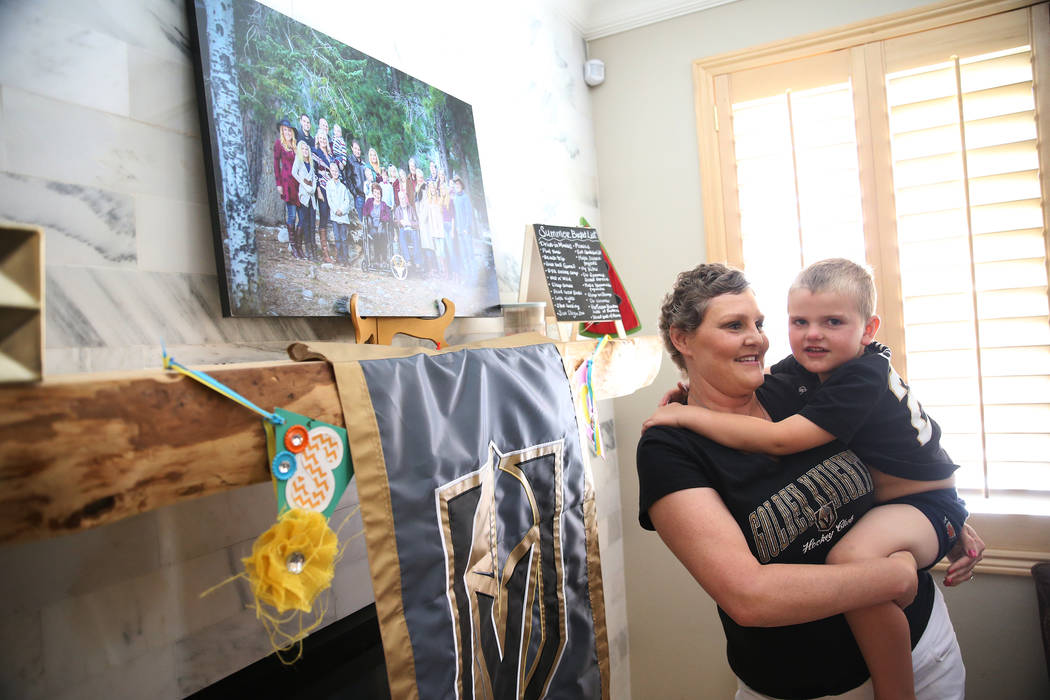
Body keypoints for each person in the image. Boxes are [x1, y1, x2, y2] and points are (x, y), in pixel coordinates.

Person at [637, 263, 983, 700]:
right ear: (682, 339)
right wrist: (892, 576)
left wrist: (941, 517)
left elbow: (892, 451)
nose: (757, 338)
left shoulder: (797, 386)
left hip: (924, 657)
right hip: (800, 686)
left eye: (759, 324)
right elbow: (749, 597)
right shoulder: (669, 449)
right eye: (734, 325)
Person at [272, 118, 299, 258]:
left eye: (289, 130)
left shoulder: (295, 145)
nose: (287, 132)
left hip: (298, 183)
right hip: (287, 183)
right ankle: (293, 246)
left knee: (302, 216)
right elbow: (276, 164)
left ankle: (298, 244)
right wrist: (279, 184)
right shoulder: (279, 144)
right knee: (292, 215)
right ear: (282, 131)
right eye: (284, 130)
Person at [312, 132, 336, 263]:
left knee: (332, 217)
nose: (322, 140)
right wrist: (318, 191)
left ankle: (336, 251)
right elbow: (314, 173)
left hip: (332, 189)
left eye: (324, 138)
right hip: (322, 188)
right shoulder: (315, 153)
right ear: (317, 140)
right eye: (320, 138)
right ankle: (325, 252)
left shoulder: (331, 156)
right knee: (323, 217)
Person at [291, 140, 316, 260]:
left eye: (307, 149)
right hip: (304, 195)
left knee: (312, 224)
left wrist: (313, 187)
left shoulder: (310, 162)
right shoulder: (299, 161)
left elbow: (314, 177)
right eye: (303, 149)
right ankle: (308, 250)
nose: (305, 151)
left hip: (312, 196)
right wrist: (304, 184)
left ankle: (314, 250)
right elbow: (293, 173)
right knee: (305, 223)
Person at [326, 161, 353, 264]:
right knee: (337, 238)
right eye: (333, 171)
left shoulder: (343, 186)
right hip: (334, 215)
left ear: (339, 172)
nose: (335, 173)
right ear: (330, 172)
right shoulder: (329, 185)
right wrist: (335, 210)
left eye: (336, 171)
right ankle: (339, 258)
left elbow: (347, 201)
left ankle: (345, 259)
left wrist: (341, 210)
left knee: (344, 238)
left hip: (343, 215)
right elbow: (329, 200)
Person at [450, 176, 475, 279]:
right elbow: (455, 215)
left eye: (458, 184)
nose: (457, 186)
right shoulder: (455, 198)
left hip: (466, 231)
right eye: (455, 185)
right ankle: (468, 276)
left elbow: (469, 214)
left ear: (461, 185)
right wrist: (456, 228)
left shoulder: (465, 197)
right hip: (459, 230)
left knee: (469, 252)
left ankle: (474, 274)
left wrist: (466, 228)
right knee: (463, 254)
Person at [393, 189, 423, 273]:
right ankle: (408, 260)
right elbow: (394, 223)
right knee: (401, 234)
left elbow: (417, 223)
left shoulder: (411, 209)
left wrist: (410, 223)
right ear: (399, 200)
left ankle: (417, 262)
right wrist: (400, 222)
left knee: (415, 235)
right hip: (403, 230)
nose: (402, 201)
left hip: (411, 229)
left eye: (403, 198)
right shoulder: (397, 210)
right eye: (401, 199)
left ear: (406, 199)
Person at [347, 140, 368, 218]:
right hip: (358, 195)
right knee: (359, 219)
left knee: (366, 219)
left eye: (359, 149)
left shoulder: (363, 163)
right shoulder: (350, 161)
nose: (357, 151)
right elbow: (348, 178)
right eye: (355, 148)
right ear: (352, 148)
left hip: (366, 195)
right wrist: (355, 193)